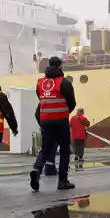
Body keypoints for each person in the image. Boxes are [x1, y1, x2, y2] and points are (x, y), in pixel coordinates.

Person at [30, 56, 77, 191]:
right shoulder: (64, 82)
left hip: (45, 121)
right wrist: (64, 111)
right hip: (61, 120)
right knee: (64, 150)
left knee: (46, 148)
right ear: (60, 66)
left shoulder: (40, 83)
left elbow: (41, 99)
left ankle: (37, 169)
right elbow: (72, 102)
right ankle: (62, 181)